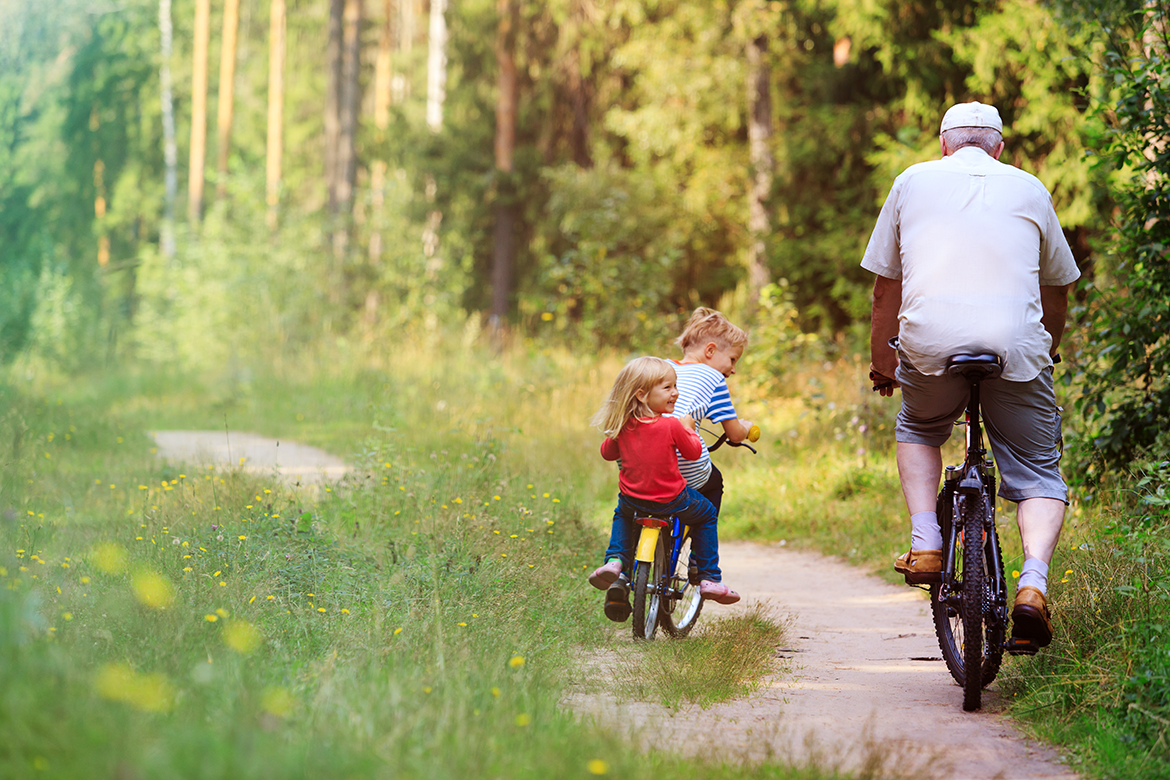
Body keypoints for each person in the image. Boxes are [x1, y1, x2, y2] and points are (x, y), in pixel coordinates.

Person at [862, 101, 1080, 650]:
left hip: (930, 347)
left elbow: (886, 287)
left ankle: (927, 542)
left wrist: (883, 364)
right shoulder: (1030, 187)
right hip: (1016, 350)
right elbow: (1058, 288)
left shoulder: (911, 181)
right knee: (1036, 472)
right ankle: (1032, 585)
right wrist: (1046, 348)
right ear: (998, 148)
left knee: (918, 427)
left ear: (943, 144)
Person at [587, 356, 740, 622]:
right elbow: (692, 454)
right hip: (673, 499)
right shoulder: (671, 424)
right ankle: (709, 577)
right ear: (642, 395)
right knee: (705, 514)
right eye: (668, 388)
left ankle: (615, 561)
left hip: (633, 500)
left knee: (622, 516)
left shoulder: (624, 425)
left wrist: (614, 432)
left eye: (675, 386)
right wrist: (689, 429)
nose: (676, 393)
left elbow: (607, 453)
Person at [669, 307, 755, 518]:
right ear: (710, 351)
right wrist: (745, 427)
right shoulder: (712, 377)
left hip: (639, 463)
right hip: (684, 468)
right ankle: (703, 549)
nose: (733, 369)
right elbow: (734, 434)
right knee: (714, 482)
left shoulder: (661, 368)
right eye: (733, 359)